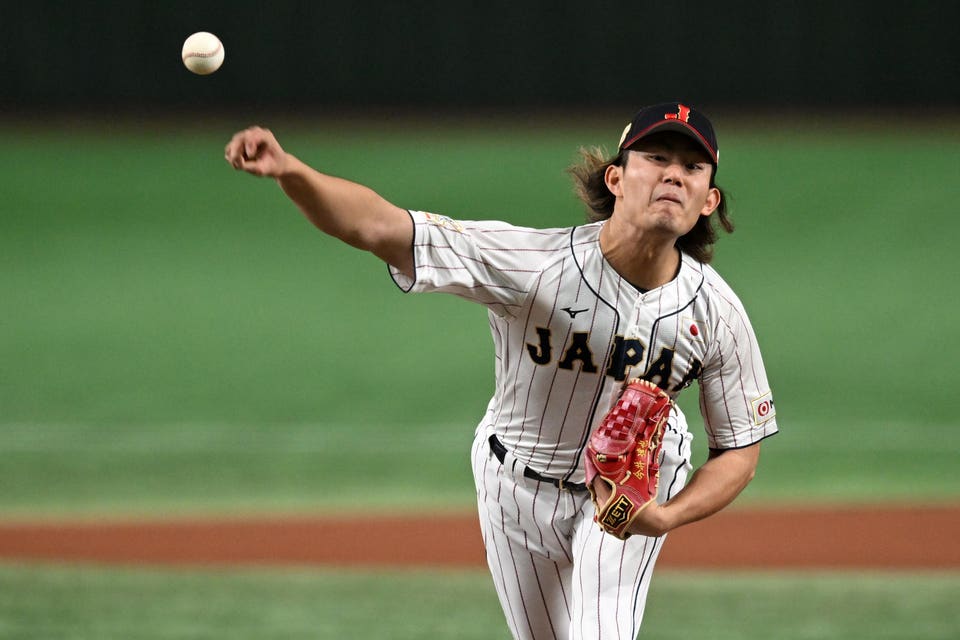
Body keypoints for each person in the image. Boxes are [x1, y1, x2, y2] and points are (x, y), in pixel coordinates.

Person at [224, 102, 778, 639]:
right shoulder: (534, 266)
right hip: (514, 484)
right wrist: (291, 171)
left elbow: (739, 450)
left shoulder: (717, 313)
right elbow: (379, 228)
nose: (674, 175)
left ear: (709, 200)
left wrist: (666, 516)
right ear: (615, 179)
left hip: (625, 493)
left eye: (692, 167)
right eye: (656, 158)